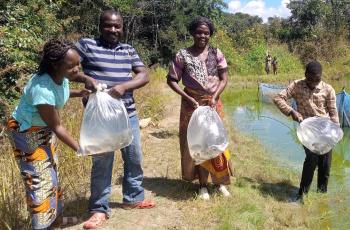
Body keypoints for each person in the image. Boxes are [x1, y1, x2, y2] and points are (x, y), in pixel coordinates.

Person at [76, 9, 155, 229]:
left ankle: (133, 198)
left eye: (117, 26)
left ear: (122, 27)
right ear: (100, 26)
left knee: (134, 156)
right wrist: (84, 77)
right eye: (108, 25)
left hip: (127, 113)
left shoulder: (128, 49)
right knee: (102, 161)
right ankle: (99, 209)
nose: (113, 29)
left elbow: (144, 75)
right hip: (100, 117)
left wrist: (123, 87)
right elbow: (66, 65)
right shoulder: (87, 45)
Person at [6, 39, 95, 229]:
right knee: (40, 180)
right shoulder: (41, 89)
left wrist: (80, 92)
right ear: (56, 65)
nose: (77, 69)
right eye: (72, 66)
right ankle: (42, 226)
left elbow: (60, 91)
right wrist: (82, 149)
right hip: (26, 133)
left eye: (79, 63)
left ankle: (55, 220)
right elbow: (58, 127)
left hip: (43, 129)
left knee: (52, 173)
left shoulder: (58, 77)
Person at [166, 17, 232, 200]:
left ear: (210, 34)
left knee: (216, 142)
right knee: (198, 144)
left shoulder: (216, 53)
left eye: (206, 32)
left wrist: (215, 96)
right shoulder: (182, 55)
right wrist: (188, 98)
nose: (202, 35)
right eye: (199, 32)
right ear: (192, 33)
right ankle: (202, 185)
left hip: (212, 103)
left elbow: (224, 78)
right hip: (191, 105)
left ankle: (219, 182)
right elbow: (171, 80)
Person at [274, 60, 339, 202]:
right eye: (311, 80)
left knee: (325, 164)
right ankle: (302, 195)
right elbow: (278, 98)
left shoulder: (328, 89)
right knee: (312, 159)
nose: (314, 83)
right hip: (307, 130)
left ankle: (322, 195)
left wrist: (335, 133)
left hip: (325, 130)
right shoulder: (296, 86)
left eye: (317, 80)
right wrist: (292, 111)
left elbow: (333, 114)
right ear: (305, 75)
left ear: (321, 77)